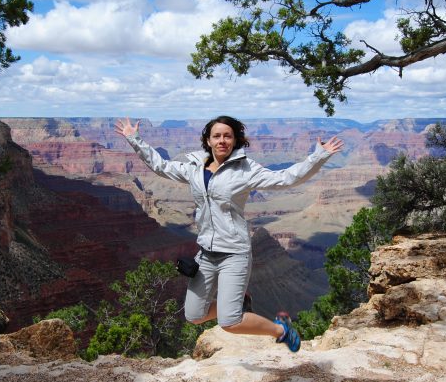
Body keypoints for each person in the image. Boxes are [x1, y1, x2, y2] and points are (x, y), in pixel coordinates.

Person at [115, 116, 343, 352]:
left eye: (228, 136)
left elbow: (286, 178)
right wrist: (134, 138)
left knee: (230, 322)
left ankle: (281, 329)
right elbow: (160, 166)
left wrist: (319, 156)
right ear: (208, 140)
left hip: (234, 252)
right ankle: (238, 302)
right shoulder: (194, 167)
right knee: (194, 315)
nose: (222, 140)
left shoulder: (245, 169)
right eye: (217, 136)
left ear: (235, 140)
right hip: (205, 254)